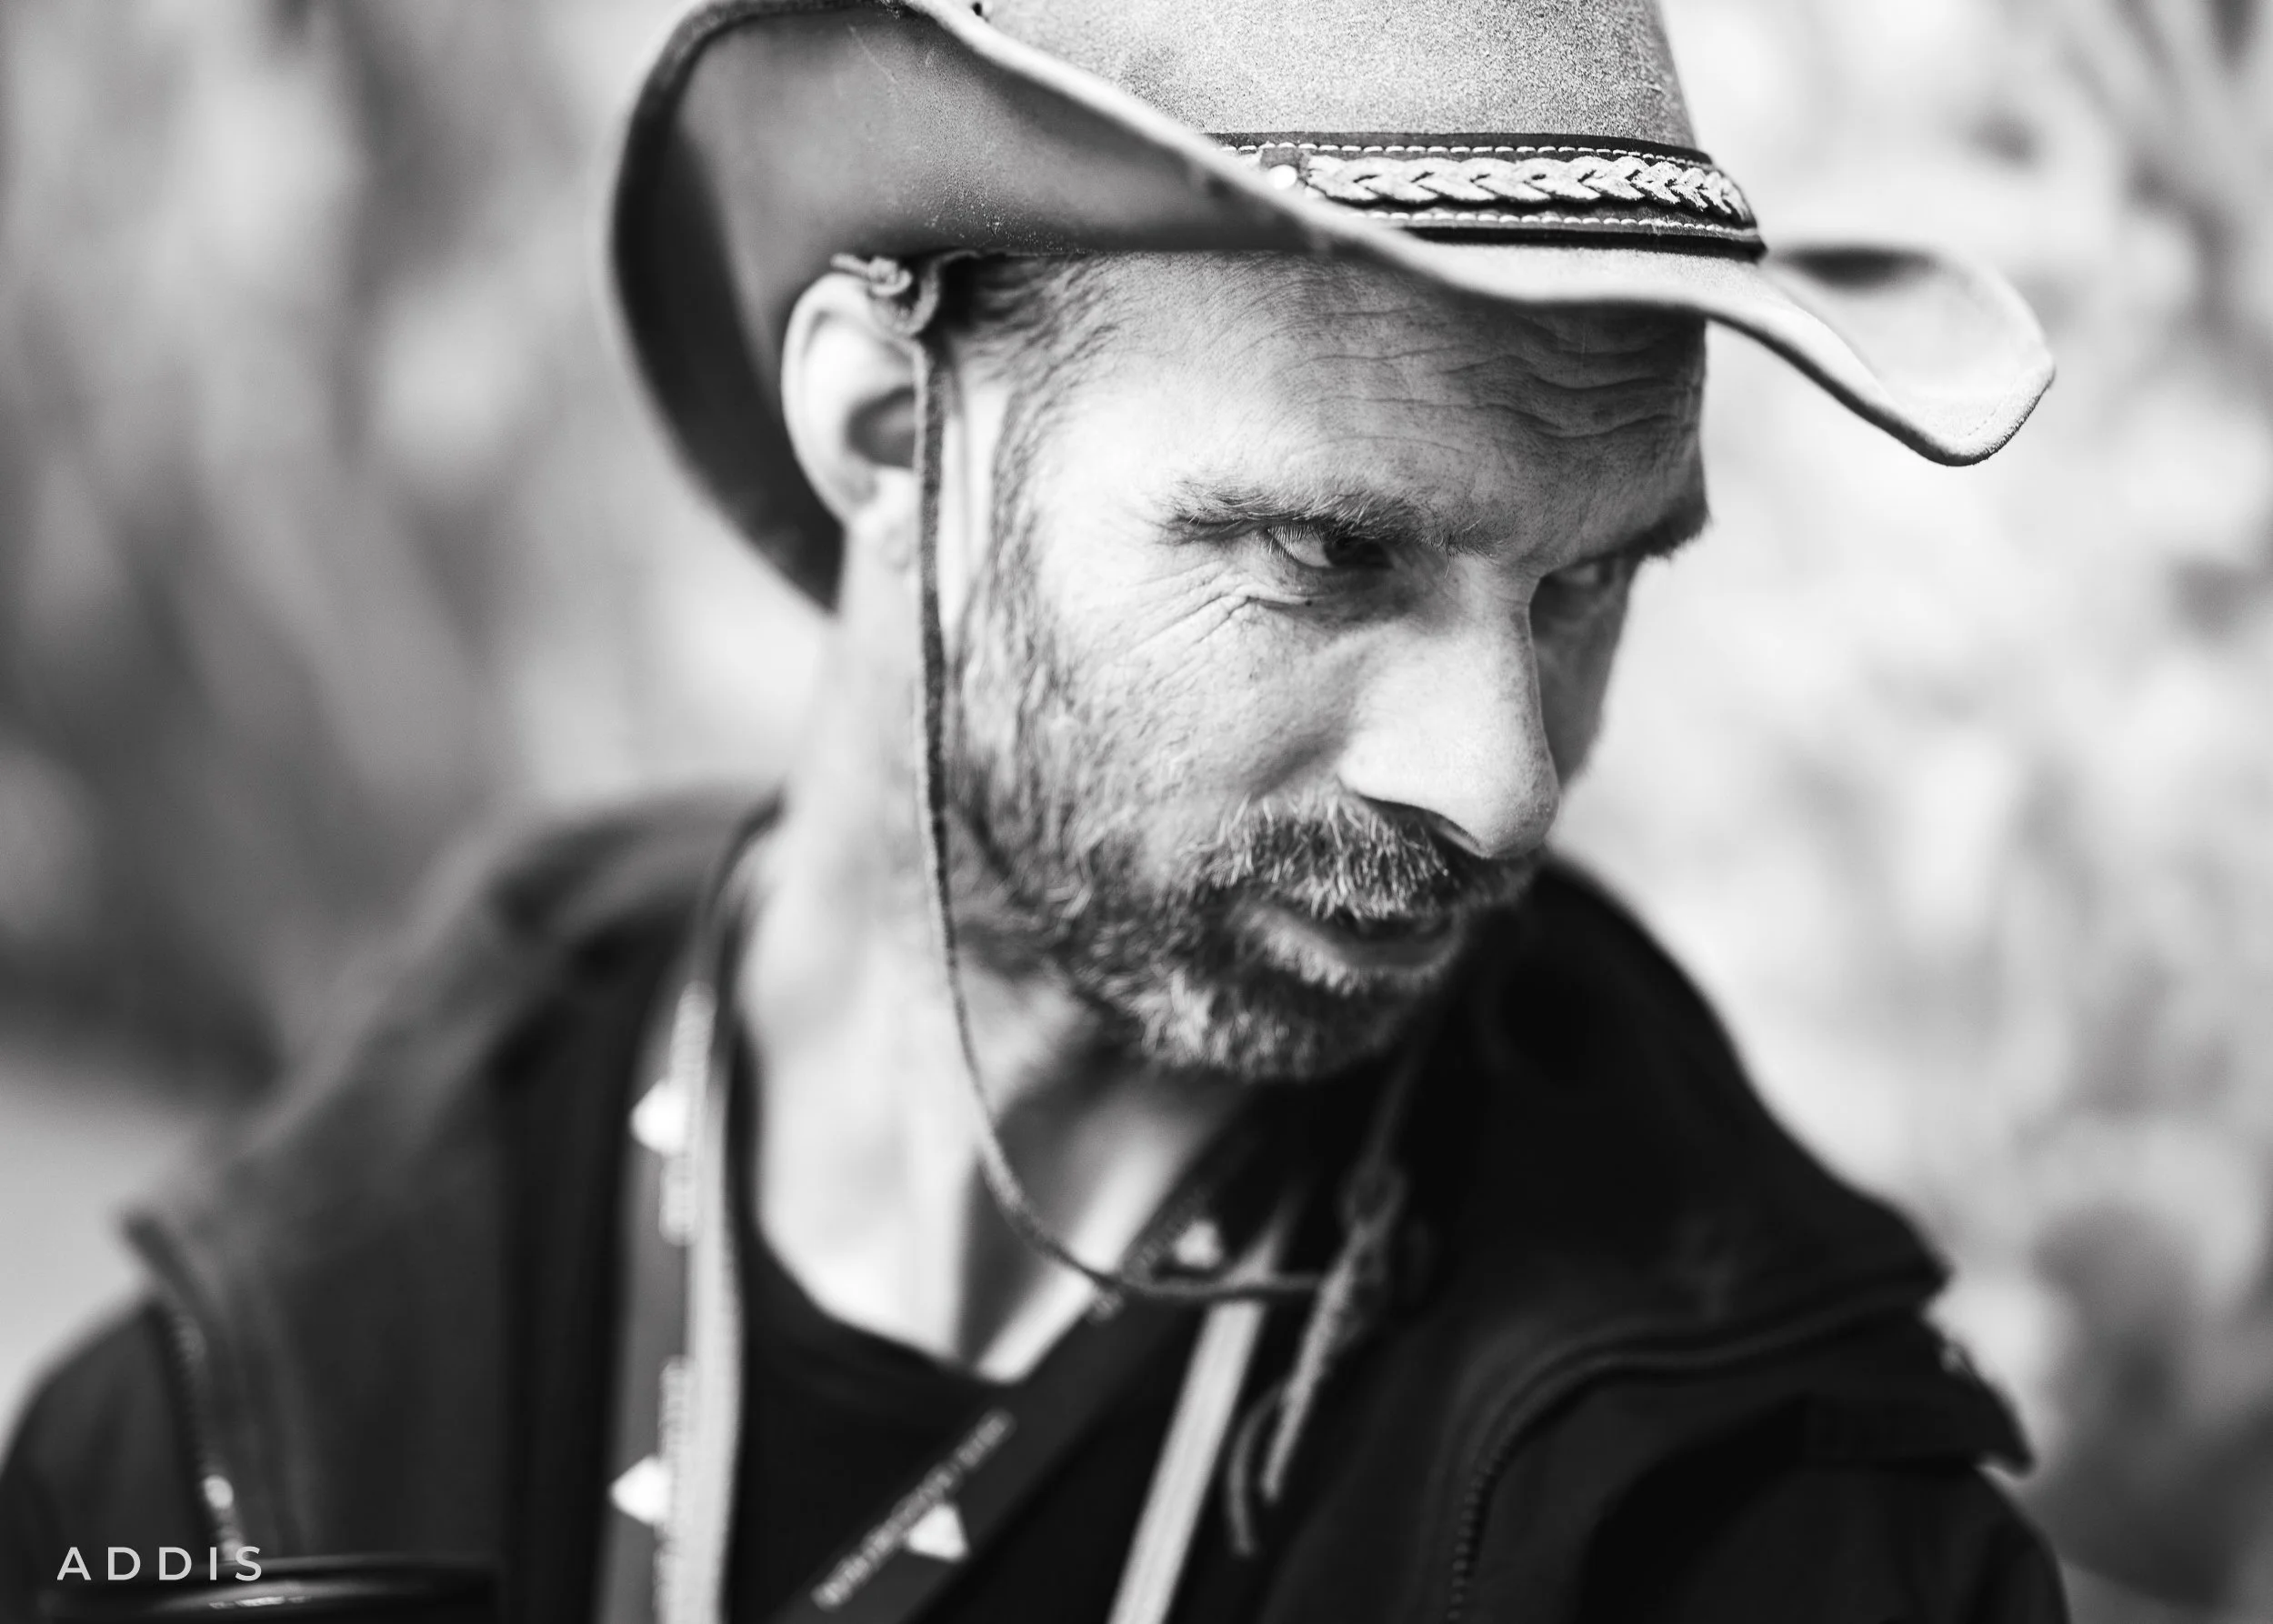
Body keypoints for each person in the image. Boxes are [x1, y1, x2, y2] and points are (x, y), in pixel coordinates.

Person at [2, 0, 2068, 1620]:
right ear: (890, 420)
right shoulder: (212, 1432)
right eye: (1330, 554)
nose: (1502, 779)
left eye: (1588, 577)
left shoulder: (1785, 1538)